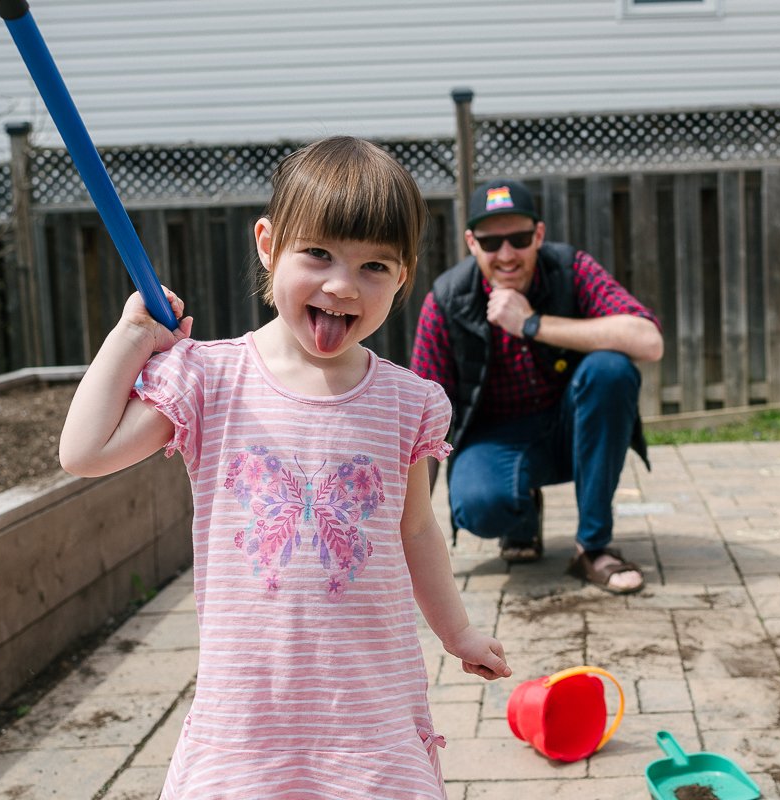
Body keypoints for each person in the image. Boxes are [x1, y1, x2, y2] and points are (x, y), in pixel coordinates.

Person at [59, 137, 510, 799]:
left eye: (374, 266)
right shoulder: (210, 380)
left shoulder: (408, 402)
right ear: (268, 245)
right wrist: (132, 339)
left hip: (367, 714)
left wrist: (458, 630)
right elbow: (85, 453)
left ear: (404, 276)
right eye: (318, 254)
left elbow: (415, 532)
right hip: (248, 719)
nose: (341, 284)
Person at [410, 179, 663, 595]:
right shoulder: (446, 300)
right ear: (472, 243)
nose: (506, 254)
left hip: (572, 429)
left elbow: (649, 341)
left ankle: (593, 547)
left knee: (611, 370)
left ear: (539, 235)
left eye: (520, 239)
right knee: (478, 506)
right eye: (492, 243)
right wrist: (408, 544)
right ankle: (520, 515)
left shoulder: (571, 269)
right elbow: (423, 424)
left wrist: (534, 324)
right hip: (495, 439)